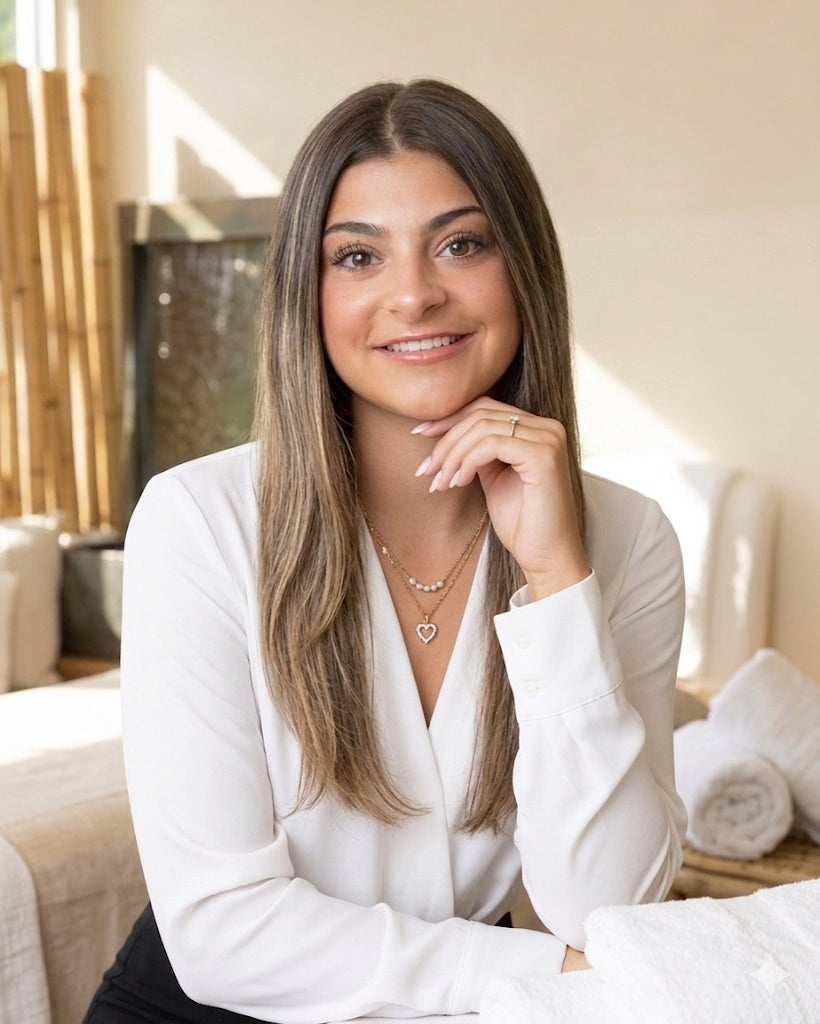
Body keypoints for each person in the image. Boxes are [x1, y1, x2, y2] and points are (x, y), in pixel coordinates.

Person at [84, 78, 686, 1023]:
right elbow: (219, 934)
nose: (414, 292)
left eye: (461, 242)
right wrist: (534, 973)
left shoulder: (627, 539)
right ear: (306, 295)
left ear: (521, 267)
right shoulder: (199, 520)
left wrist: (558, 581)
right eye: (358, 255)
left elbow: (608, 916)